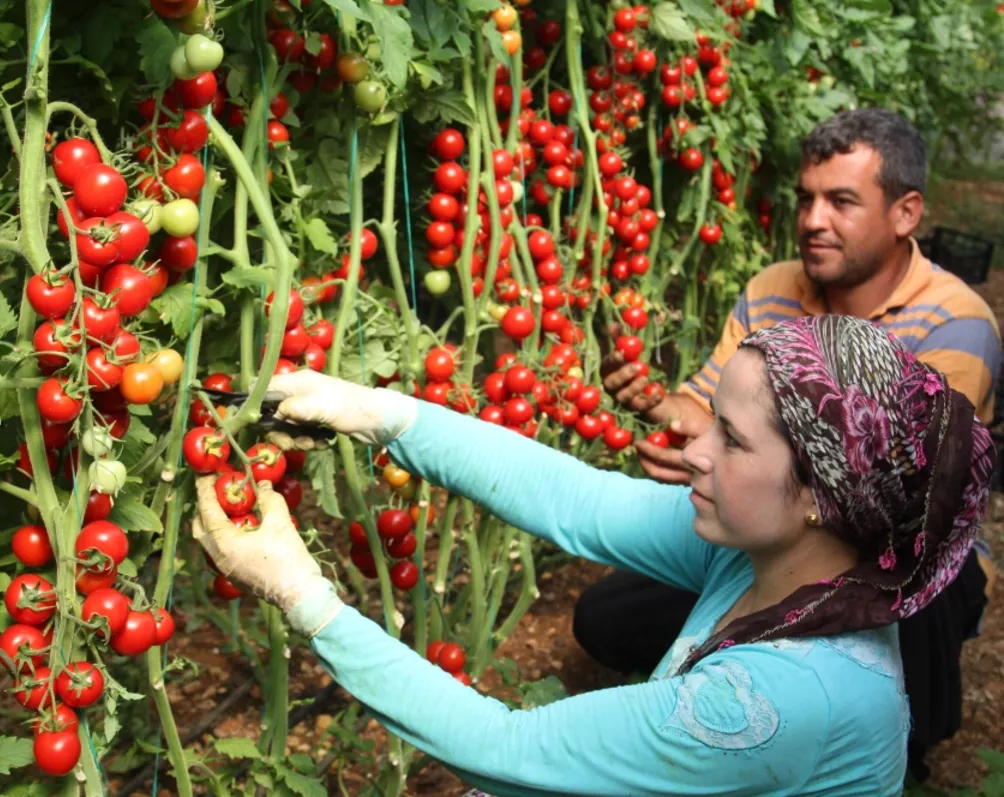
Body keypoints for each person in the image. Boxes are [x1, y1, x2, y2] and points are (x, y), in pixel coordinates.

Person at [193, 315, 994, 796]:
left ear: (825, 491)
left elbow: (507, 749)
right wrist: (378, 413)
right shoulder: (787, 556)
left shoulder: (783, 701)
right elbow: (578, 499)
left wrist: (303, 595)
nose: (695, 453)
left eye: (734, 440)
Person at [580, 107, 1001, 778]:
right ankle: (723, 699)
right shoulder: (773, 288)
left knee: (900, 605)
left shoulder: (958, 321)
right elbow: (708, 401)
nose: (812, 219)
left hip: (904, 544)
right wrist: (669, 413)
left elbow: (912, 496)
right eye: (806, 198)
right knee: (601, 617)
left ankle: (900, 744)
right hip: (782, 530)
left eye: (841, 201)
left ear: (906, 212)